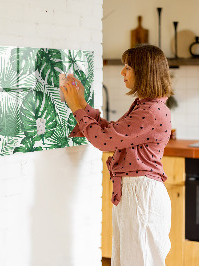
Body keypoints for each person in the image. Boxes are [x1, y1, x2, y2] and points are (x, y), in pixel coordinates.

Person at [61, 44, 173, 266]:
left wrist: (76, 107)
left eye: (128, 67)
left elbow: (104, 141)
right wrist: (82, 103)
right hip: (136, 193)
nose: (122, 72)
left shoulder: (150, 111)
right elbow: (112, 133)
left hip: (141, 195)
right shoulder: (146, 106)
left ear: (144, 72)